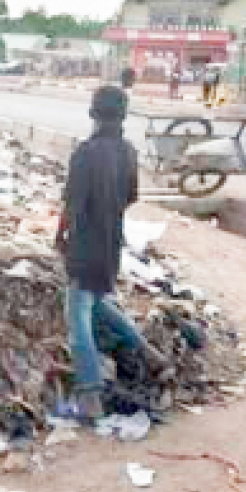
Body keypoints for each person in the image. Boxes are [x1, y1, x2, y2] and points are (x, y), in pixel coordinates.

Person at [55, 86, 149, 420]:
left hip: (85, 244)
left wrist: (60, 235)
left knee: (78, 317)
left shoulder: (85, 153)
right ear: (122, 116)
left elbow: (71, 204)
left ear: (93, 114)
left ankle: (90, 392)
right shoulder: (128, 152)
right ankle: (145, 351)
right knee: (96, 302)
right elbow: (131, 196)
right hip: (111, 244)